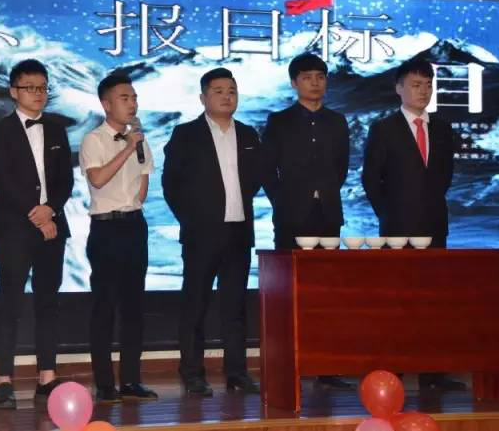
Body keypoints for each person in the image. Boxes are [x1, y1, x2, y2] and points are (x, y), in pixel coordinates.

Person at [362, 58, 464, 391]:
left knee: (433, 301)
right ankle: (395, 370)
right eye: (416, 85)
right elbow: (371, 179)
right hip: (396, 229)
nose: (424, 91)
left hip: (434, 226)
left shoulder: (443, 129)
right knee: (398, 300)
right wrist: (389, 215)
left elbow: (444, 176)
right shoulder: (384, 128)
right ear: (399, 88)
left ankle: (433, 373)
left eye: (429, 85)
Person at [162, 67, 263, 396]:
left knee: (235, 308)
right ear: (203, 97)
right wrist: (192, 220)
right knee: (195, 305)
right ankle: (192, 373)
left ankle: (237, 373)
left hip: (239, 234)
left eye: (232, 90)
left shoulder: (248, 134)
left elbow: (255, 179)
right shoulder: (185, 135)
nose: (226, 96)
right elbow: (171, 184)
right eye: (218, 91)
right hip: (201, 235)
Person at [0, 59, 73, 409]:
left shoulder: (57, 130)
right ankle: (4, 380)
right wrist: (37, 214)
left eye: (43, 88)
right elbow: (3, 179)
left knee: (48, 303)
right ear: (13, 91)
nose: (38, 94)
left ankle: (47, 377)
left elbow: (66, 180)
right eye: (30, 87)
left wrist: (51, 209)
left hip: (53, 227)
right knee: (9, 304)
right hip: (15, 228)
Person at [262, 53, 353, 390]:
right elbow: (267, 170)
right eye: (307, 77)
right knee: (290, 293)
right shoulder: (279, 121)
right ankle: (290, 366)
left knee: (327, 293)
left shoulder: (337, 122)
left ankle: (327, 368)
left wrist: (322, 193)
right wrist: (283, 201)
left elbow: (341, 168)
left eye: (320, 77)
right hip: (291, 217)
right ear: (294, 83)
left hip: (327, 214)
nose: (315, 83)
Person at [79, 72, 158, 403]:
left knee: (133, 307)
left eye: (134, 98)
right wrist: (128, 148)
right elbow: (97, 179)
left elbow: (143, 183)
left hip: (134, 226)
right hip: (106, 229)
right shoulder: (93, 139)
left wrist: (134, 145)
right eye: (125, 98)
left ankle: (130, 381)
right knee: (105, 307)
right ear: (106, 104)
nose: (132, 103)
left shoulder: (140, 140)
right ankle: (104, 384)